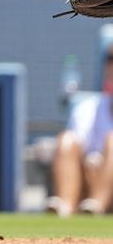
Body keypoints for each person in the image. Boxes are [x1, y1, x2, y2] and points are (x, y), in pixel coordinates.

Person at [47, 46, 113, 216]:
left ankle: (97, 206)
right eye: (111, 60)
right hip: (87, 183)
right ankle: (65, 207)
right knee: (66, 139)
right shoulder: (86, 110)